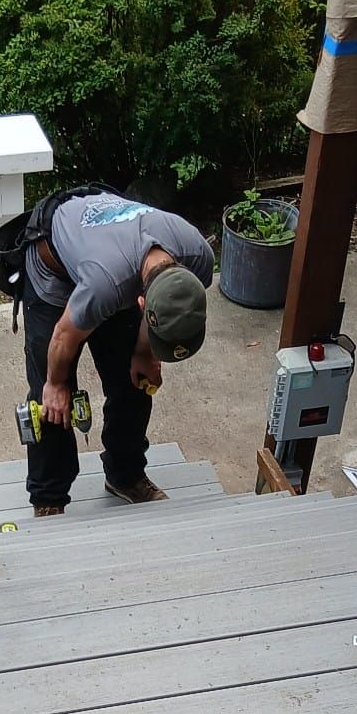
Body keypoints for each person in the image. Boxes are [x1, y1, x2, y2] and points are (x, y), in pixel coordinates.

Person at [22, 190, 214, 517]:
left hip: (115, 261)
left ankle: (125, 476)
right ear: (141, 303)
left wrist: (144, 352)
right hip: (55, 267)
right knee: (52, 402)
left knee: (133, 382)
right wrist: (55, 383)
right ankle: (49, 496)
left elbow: (150, 327)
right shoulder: (106, 283)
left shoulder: (199, 257)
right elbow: (63, 336)